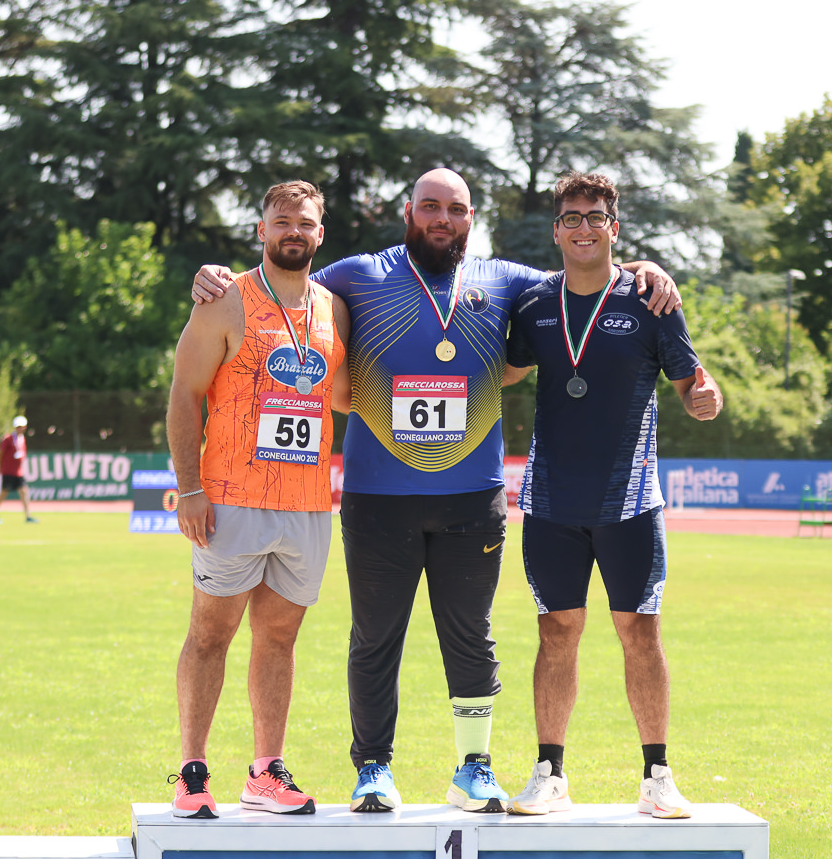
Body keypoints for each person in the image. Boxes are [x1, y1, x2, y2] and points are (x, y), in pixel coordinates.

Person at [191, 168, 682, 813]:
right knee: (375, 638)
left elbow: (585, 270)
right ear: (409, 211)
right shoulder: (357, 274)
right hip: (377, 495)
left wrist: (646, 268)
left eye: (454, 209)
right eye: (429, 206)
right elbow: (284, 277)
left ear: (470, 218)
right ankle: (373, 768)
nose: (441, 218)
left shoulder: (508, 281)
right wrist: (217, 276)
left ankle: (474, 767)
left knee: (472, 636)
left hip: (472, 497)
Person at [501, 172, 721, 819]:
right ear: (556, 231)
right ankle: (549, 772)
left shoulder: (653, 300)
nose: (583, 228)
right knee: (556, 632)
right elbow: (504, 369)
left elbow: (691, 382)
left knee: (640, 633)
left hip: (630, 502)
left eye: (595, 217)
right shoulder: (533, 305)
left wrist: (706, 397)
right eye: (571, 218)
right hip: (551, 503)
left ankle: (657, 775)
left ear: (614, 228)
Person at [166, 181, 351, 818]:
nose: (293, 231)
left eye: (305, 222)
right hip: (231, 499)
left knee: (279, 638)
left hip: (307, 504)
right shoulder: (223, 299)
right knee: (210, 634)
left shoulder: (332, 308)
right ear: (261, 230)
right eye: (281, 221)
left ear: (320, 233)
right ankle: (192, 772)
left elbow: (345, 396)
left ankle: (265, 771)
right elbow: (184, 394)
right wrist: (189, 487)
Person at [0, 417, 36, 523]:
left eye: (21, 427)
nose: (20, 429)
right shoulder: (8, 439)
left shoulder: (22, 439)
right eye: (18, 427)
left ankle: (28, 516)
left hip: (18, 472)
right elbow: (1, 453)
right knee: (4, 492)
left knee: (24, 491)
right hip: (8, 471)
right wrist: (0, 467)